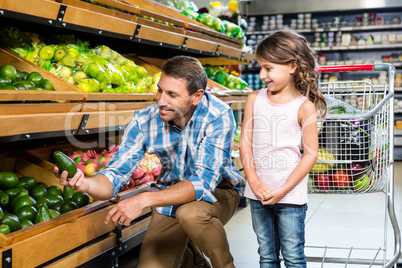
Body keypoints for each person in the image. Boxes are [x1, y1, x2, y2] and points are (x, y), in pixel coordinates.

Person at [54, 55, 245, 268]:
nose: (161, 101)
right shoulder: (144, 120)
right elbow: (115, 174)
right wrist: (86, 184)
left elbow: (202, 183)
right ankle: (194, 260)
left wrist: (144, 200)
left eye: (172, 94)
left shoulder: (218, 115)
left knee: (191, 214)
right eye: (160, 90)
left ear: (197, 96)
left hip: (218, 194)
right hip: (168, 200)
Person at [239, 29, 326, 268]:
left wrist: (283, 190)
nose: (262, 74)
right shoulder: (254, 99)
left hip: (291, 196)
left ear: (292, 66)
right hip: (258, 194)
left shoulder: (304, 107)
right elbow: (245, 144)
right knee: (266, 256)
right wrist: (254, 182)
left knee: (293, 256)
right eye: (260, 67)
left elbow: (310, 155)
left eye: (268, 68)